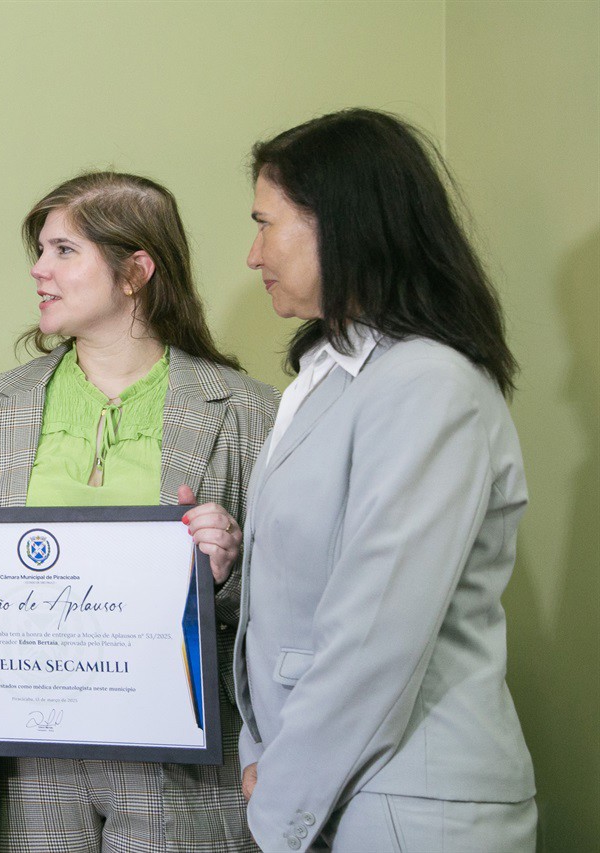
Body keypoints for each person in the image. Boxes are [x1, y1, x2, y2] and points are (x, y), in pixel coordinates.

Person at [0, 172, 278, 853]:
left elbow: (293, 610)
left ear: (136, 271)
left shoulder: (250, 411)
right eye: (40, 251)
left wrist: (226, 569)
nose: (39, 269)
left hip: (178, 776)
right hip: (22, 771)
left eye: (64, 250)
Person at [234, 108, 537, 852]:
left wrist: (279, 794)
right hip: (335, 784)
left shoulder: (429, 384)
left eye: (267, 225)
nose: (252, 254)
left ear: (340, 225)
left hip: (408, 805)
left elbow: (377, 630)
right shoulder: (330, 377)